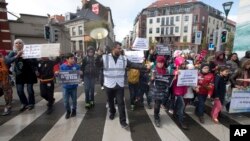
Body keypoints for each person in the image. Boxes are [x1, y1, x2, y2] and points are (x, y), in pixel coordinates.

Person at [101, 42, 149, 129]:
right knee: (111, 101)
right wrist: (98, 56)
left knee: (121, 103)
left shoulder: (123, 58)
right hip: (108, 85)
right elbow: (97, 64)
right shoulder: (105, 57)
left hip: (119, 85)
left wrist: (144, 67)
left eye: (120, 48)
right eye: (118, 48)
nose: (120, 50)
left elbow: (133, 65)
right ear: (113, 49)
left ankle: (123, 121)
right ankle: (112, 112)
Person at [5, 39, 38, 112]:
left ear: (23, 44)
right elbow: (7, 61)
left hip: (30, 73)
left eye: (20, 43)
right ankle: (24, 103)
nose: (18, 44)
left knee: (30, 90)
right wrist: (17, 56)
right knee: (19, 91)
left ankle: (31, 103)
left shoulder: (28, 51)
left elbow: (35, 62)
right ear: (14, 44)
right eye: (16, 43)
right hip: (19, 74)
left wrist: (26, 57)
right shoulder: (12, 52)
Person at [149, 56, 170, 127]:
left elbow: (168, 79)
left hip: (163, 90)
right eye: (159, 62)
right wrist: (152, 79)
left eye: (162, 63)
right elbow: (150, 81)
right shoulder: (153, 70)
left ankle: (156, 113)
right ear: (156, 62)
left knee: (158, 103)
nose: (160, 64)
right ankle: (156, 117)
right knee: (157, 104)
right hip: (156, 90)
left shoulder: (166, 70)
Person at [59, 53, 80, 119]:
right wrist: (57, 74)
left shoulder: (76, 66)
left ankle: (74, 110)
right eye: (71, 58)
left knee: (74, 100)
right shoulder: (62, 66)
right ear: (67, 59)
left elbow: (79, 75)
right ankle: (68, 111)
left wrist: (80, 73)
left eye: (73, 58)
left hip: (74, 87)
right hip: (66, 87)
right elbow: (60, 76)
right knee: (65, 101)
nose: (73, 60)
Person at [172, 57, 188, 129]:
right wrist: (175, 76)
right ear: (178, 65)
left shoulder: (186, 71)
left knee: (178, 103)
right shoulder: (175, 72)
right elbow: (172, 81)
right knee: (182, 105)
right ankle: (181, 122)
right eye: (182, 64)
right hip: (177, 91)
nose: (184, 65)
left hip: (183, 90)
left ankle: (174, 113)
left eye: (184, 64)